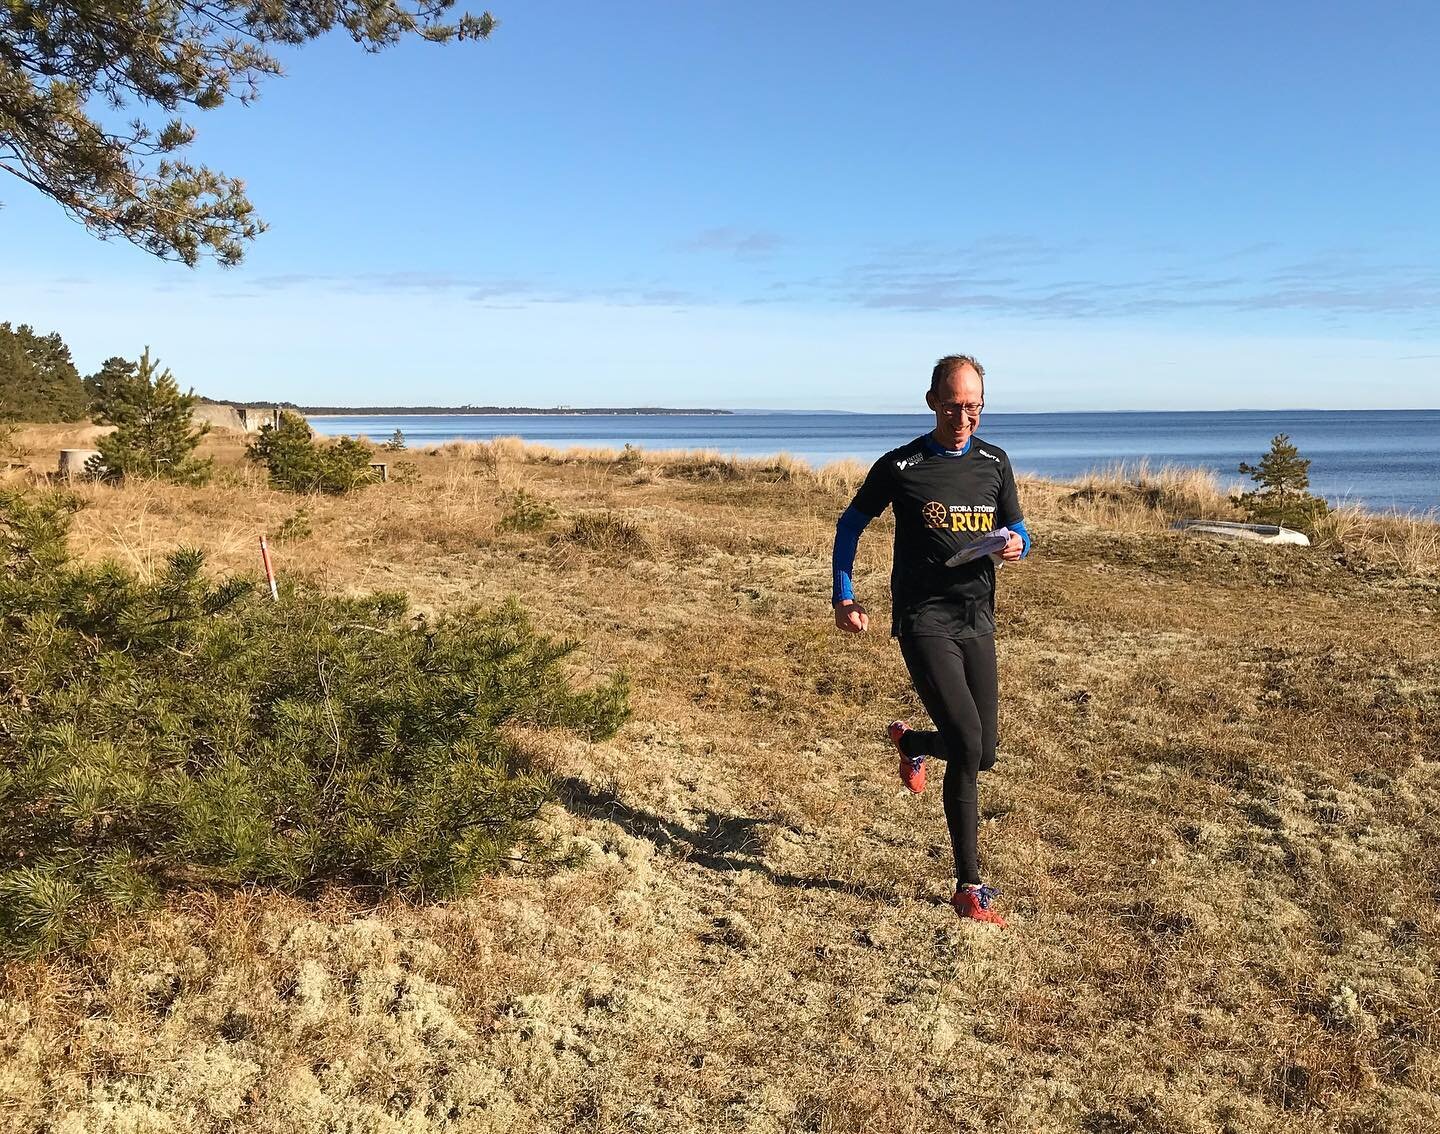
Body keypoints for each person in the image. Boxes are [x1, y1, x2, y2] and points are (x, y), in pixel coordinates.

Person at [831, 355, 1030, 928]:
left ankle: (914, 742)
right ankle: (970, 886)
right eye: (952, 406)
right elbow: (851, 524)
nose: (963, 417)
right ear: (930, 401)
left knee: (983, 751)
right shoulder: (901, 465)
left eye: (973, 407)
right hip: (923, 618)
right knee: (967, 741)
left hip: (977, 616)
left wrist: (1018, 545)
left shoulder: (995, 462)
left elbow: (1018, 528)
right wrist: (845, 595)